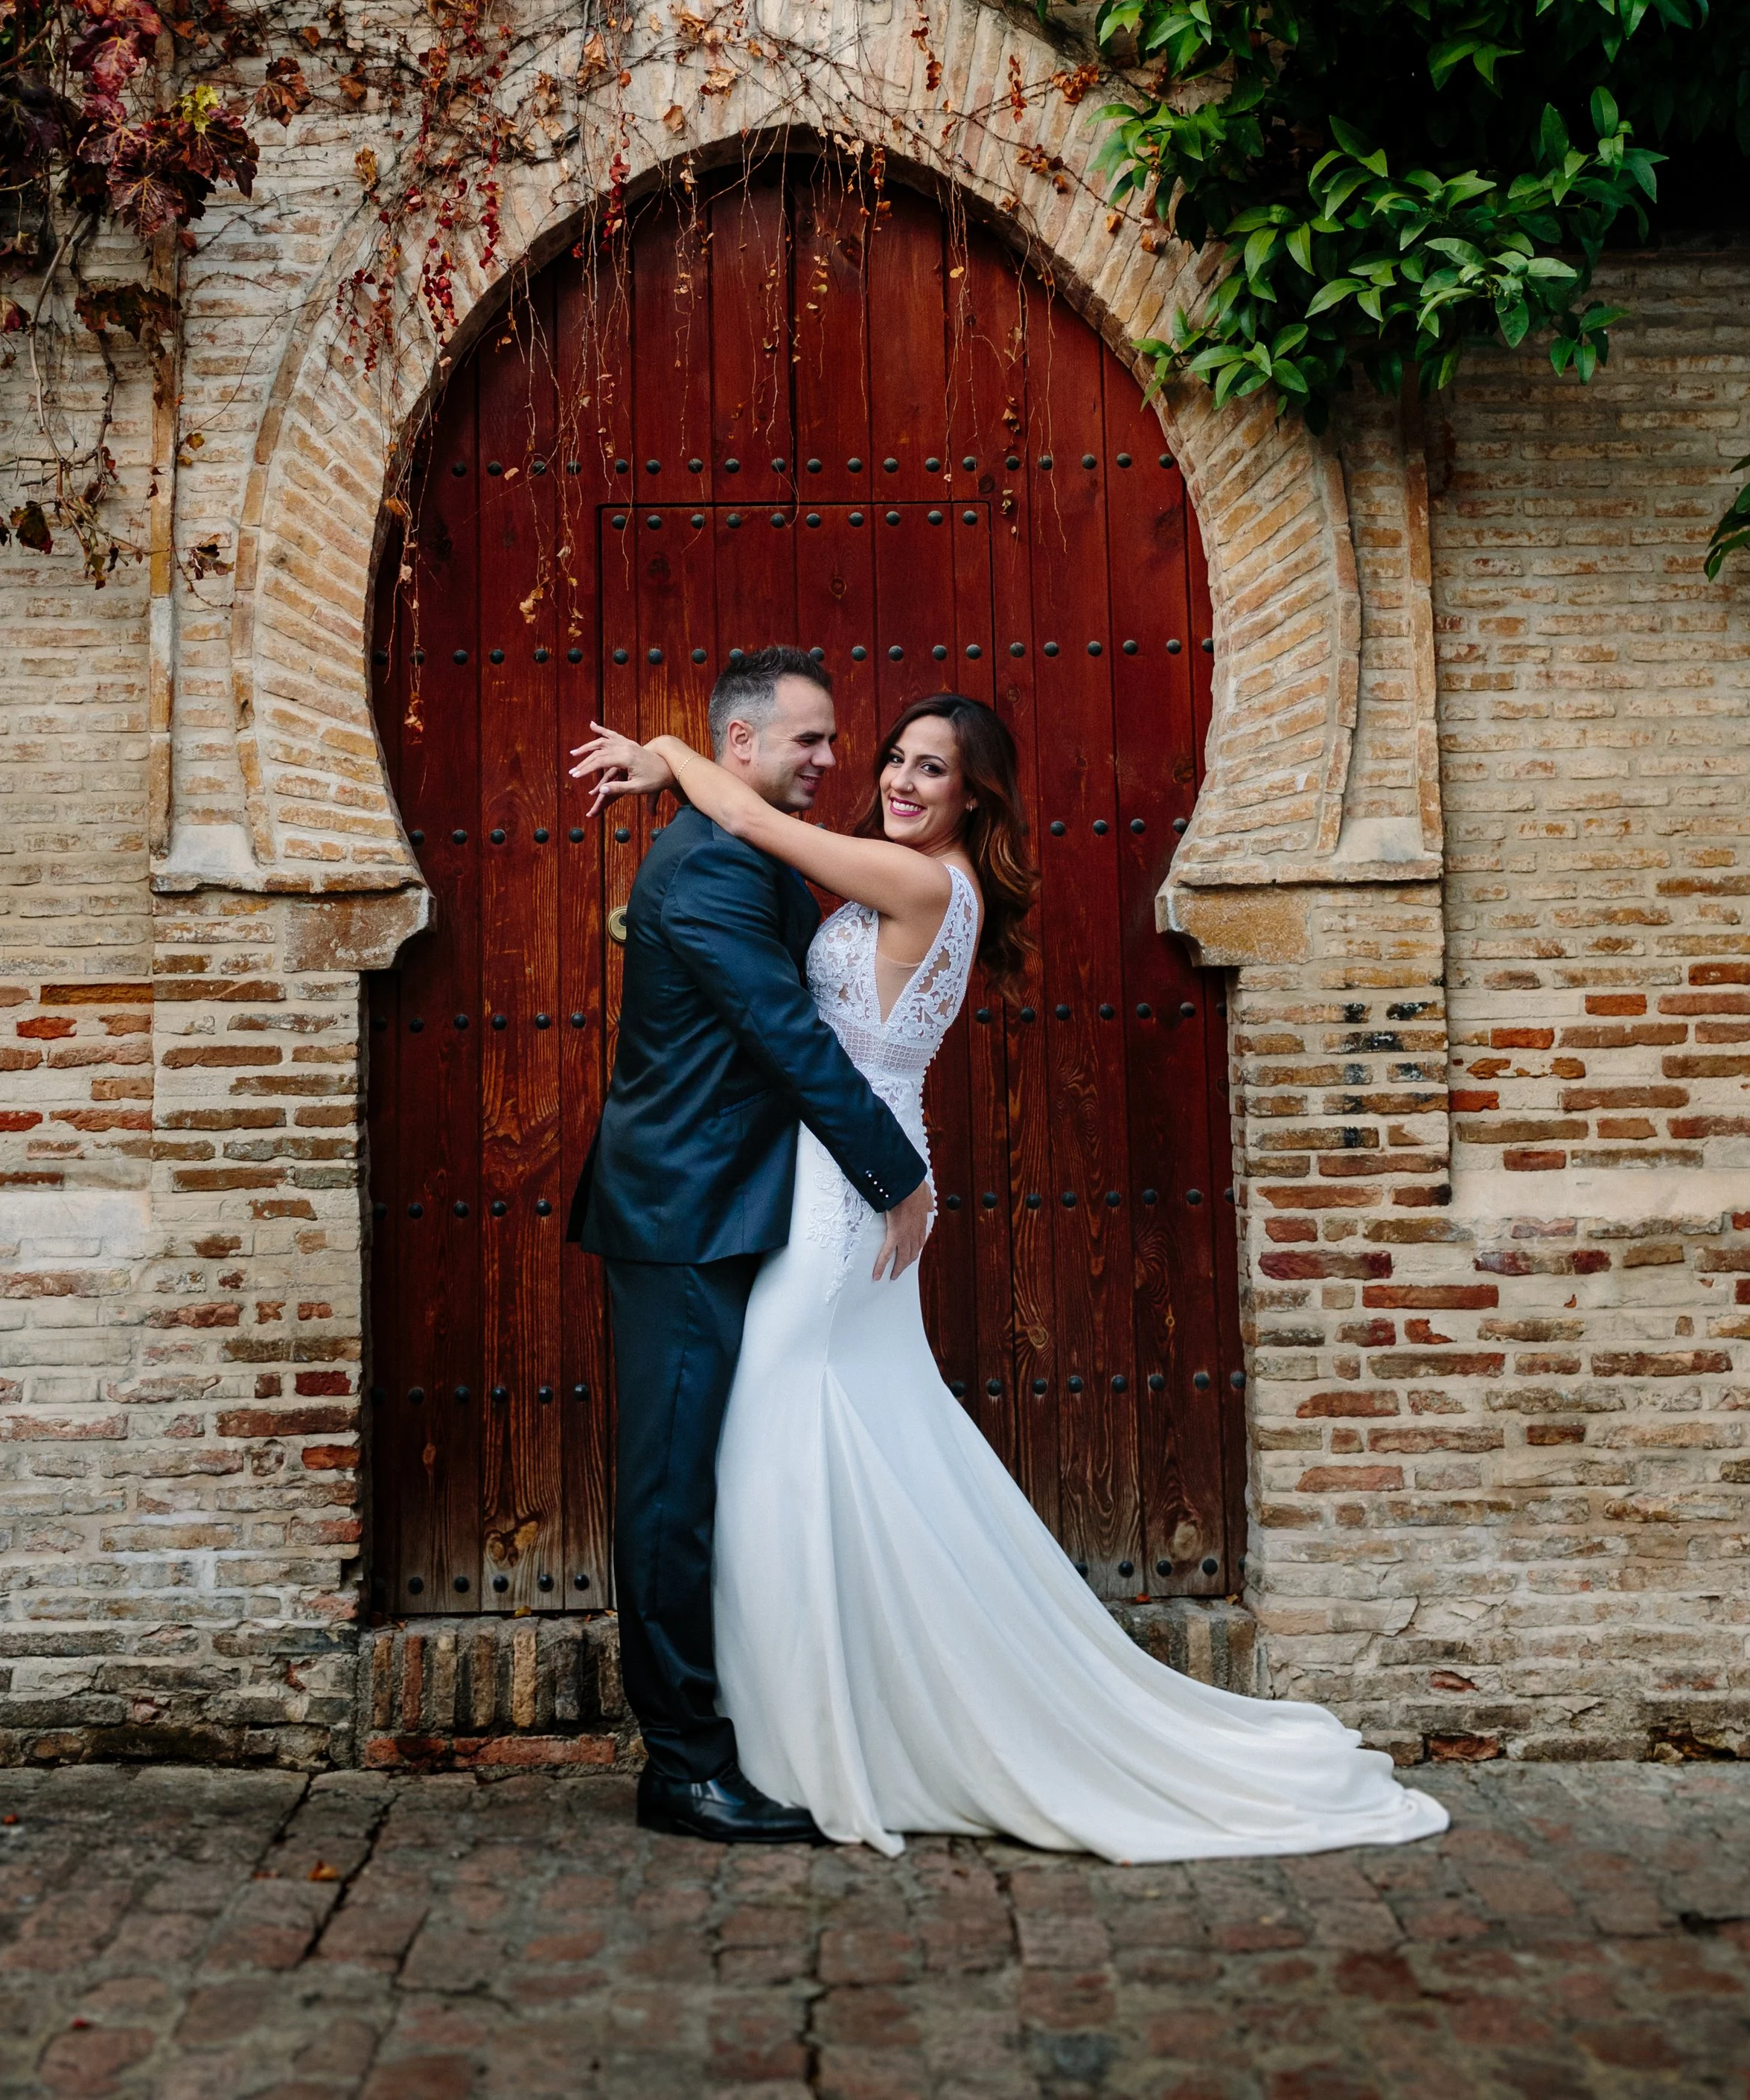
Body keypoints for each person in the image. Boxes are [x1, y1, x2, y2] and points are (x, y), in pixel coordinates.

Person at [573, 682, 1451, 1863]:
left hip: (848, 1189)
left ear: (976, 795)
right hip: (841, 1176)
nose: (895, 777)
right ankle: (813, 1726)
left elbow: (759, 829)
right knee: (819, 1445)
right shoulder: (913, 878)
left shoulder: (926, 884)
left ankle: (804, 1738)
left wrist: (667, 750)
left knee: (776, 1446)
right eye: (892, 757)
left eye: (930, 768)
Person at [566, 646, 928, 1843]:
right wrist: (896, 1172)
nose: (832, 758)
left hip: (721, 1203)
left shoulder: (736, 838)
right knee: (671, 1492)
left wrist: (667, 758)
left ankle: (749, 1732)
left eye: (831, 738)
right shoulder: (716, 870)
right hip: (685, 1214)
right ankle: (682, 1766)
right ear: (743, 743)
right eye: (808, 738)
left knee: (704, 1479)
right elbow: (786, 1035)